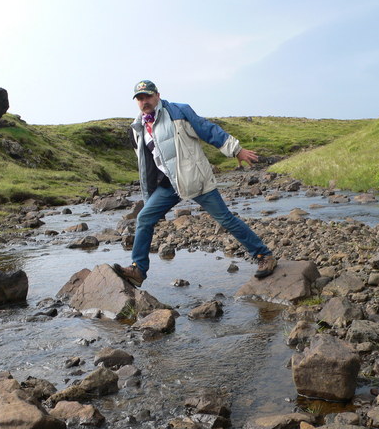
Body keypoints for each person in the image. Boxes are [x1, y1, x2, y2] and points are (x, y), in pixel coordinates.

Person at [113, 79, 278, 287]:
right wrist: (149, 195)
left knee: (225, 219)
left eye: (147, 96)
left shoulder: (178, 111)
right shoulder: (138, 128)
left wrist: (236, 149)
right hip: (169, 185)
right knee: (144, 218)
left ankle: (264, 255)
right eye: (140, 98)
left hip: (194, 178)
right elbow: (148, 164)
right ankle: (138, 270)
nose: (144, 101)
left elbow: (207, 129)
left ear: (157, 95)